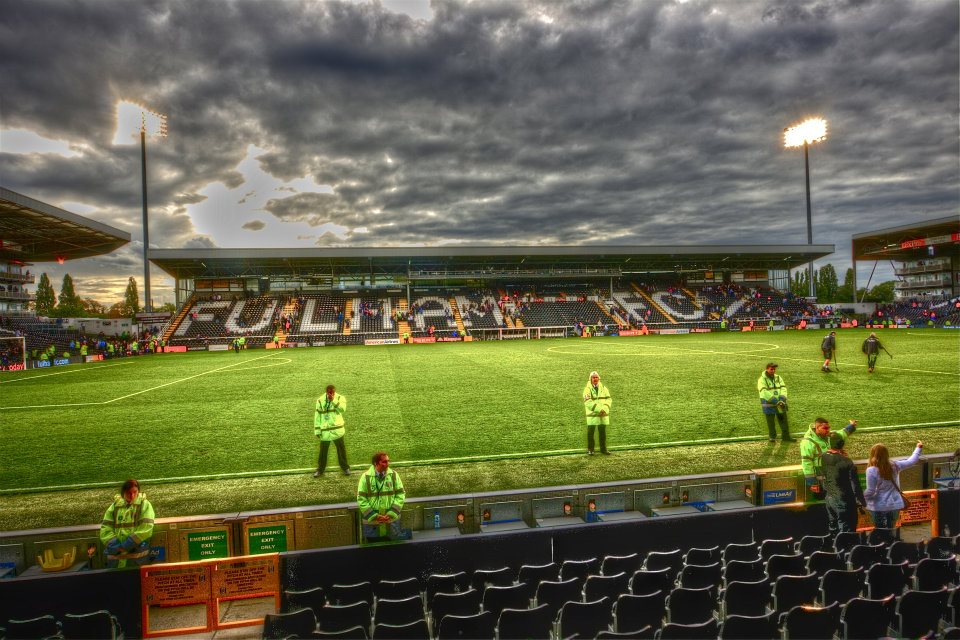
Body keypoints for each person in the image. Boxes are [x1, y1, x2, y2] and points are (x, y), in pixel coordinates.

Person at [864, 441, 923, 528]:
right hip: (894, 504)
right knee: (891, 529)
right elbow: (911, 461)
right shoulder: (895, 465)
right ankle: (891, 541)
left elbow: (870, 491)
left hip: (878, 505)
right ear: (886, 454)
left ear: (872, 454)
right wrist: (918, 448)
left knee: (880, 530)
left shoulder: (871, 470)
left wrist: (860, 498)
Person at [99, 479, 155, 568]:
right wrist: (116, 546)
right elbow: (105, 528)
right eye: (129, 492)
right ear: (123, 493)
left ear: (138, 491)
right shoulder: (114, 506)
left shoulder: (145, 504)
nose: (132, 496)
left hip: (137, 560)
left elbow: (146, 528)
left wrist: (125, 546)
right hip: (116, 561)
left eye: (135, 492)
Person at [820, 432, 866, 536]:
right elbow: (855, 485)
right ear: (842, 444)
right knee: (847, 532)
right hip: (844, 502)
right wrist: (861, 501)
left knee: (834, 530)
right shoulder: (847, 461)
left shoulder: (823, 457)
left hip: (830, 499)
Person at [801, 418, 857, 499]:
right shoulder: (807, 443)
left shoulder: (827, 436)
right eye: (825, 428)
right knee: (823, 502)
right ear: (817, 428)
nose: (828, 430)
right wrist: (812, 482)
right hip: (820, 480)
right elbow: (806, 463)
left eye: (828, 428)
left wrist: (851, 426)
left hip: (831, 476)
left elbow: (841, 434)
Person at [357, 451, 406, 540]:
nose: (388, 464)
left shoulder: (394, 475)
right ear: (376, 463)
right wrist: (374, 516)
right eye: (384, 462)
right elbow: (361, 499)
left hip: (391, 524)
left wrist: (392, 513)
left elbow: (401, 495)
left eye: (388, 461)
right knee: (373, 553)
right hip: (373, 527)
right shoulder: (365, 477)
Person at [313, 384, 350, 477]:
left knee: (341, 450)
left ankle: (345, 468)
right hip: (325, 431)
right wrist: (317, 430)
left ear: (334, 391)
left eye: (332, 392)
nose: (331, 393)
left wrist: (333, 400)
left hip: (337, 430)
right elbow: (317, 415)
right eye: (329, 392)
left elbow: (342, 409)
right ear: (326, 391)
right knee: (323, 452)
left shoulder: (340, 398)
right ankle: (320, 470)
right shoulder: (320, 400)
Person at [757, 363, 792, 442]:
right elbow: (763, 392)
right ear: (767, 369)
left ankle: (786, 437)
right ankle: (772, 437)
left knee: (783, 420)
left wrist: (781, 400)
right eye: (771, 369)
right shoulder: (761, 380)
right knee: (771, 421)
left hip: (780, 402)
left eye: (774, 369)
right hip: (768, 403)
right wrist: (776, 401)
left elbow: (783, 388)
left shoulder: (778, 378)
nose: (773, 371)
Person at [582, 371, 612, 455]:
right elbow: (587, 402)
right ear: (590, 379)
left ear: (599, 378)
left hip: (602, 415)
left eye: (596, 377)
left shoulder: (604, 388)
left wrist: (605, 409)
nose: (595, 379)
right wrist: (600, 410)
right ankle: (591, 449)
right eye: (593, 377)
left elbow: (609, 399)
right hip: (592, 415)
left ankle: (603, 449)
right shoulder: (587, 389)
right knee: (590, 433)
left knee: (602, 432)